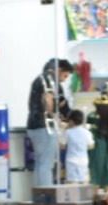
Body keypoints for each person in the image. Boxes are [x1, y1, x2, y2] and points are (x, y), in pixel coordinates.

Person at [27, 58, 75, 186]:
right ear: (59, 70)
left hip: (33, 126)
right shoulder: (49, 79)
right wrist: (55, 116)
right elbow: (48, 100)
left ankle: (38, 194)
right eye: (65, 76)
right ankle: (47, 194)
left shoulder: (39, 79)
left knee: (40, 163)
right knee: (46, 164)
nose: (64, 80)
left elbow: (29, 103)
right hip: (45, 127)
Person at [87, 94, 108, 190]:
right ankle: (107, 184)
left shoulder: (91, 116)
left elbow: (88, 130)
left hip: (94, 143)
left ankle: (95, 182)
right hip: (107, 143)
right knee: (107, 164)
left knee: (95, 163)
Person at [61, 109, 94, 184]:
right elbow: (91, 145)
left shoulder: (68, 132)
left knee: (73, 181)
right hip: (83, 159)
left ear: (71, 121)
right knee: (84, 180)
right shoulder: (87, 132)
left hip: (71, 159)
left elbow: (62, 145)